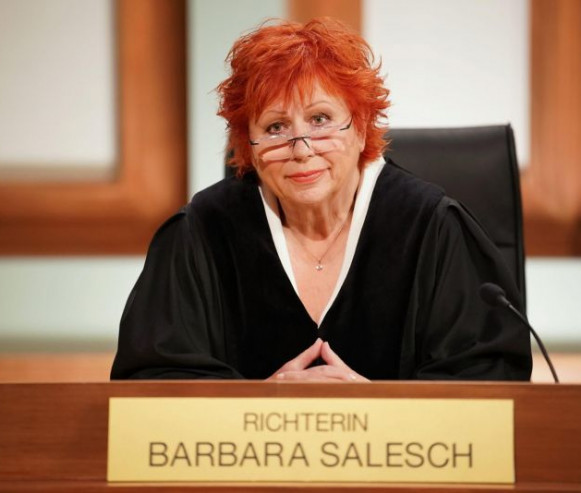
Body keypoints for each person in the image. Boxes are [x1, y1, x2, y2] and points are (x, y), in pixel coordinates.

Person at [111, 18, 532, 382]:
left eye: (320, 119)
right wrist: (257, 406)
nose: (301, 148)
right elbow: (152, 379)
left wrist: (378, 410)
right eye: (275, 127)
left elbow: (489, 379)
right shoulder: (202, 232)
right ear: (248, 144)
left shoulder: (433, 226)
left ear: (361, 127)